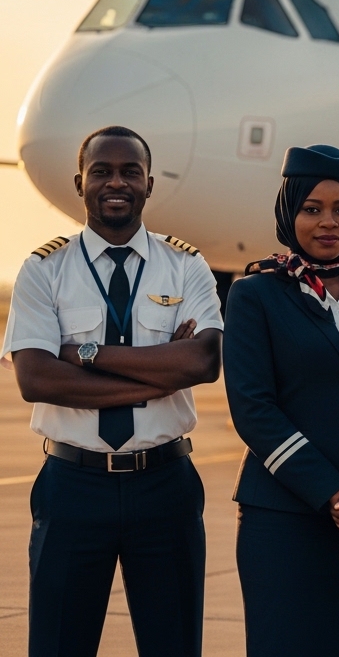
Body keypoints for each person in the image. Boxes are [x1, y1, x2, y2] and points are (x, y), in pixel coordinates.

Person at [2, 125, 223, 657]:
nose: (115, 182)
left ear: (149, 184)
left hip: (165, 486)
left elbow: (203, 360)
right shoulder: (43, 270)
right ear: (80, 182)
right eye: (101, 171)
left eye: (130, 171)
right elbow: (35, 378)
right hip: (72, 487)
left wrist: (82, 354)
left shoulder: (187, 265)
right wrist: (156, 370)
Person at [222, 144, 339, 657]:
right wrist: (335, 494)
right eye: (312, 209)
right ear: (289, 213)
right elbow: (253, 408)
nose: (329, 222)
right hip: (283, 520)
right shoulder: (254, 296)